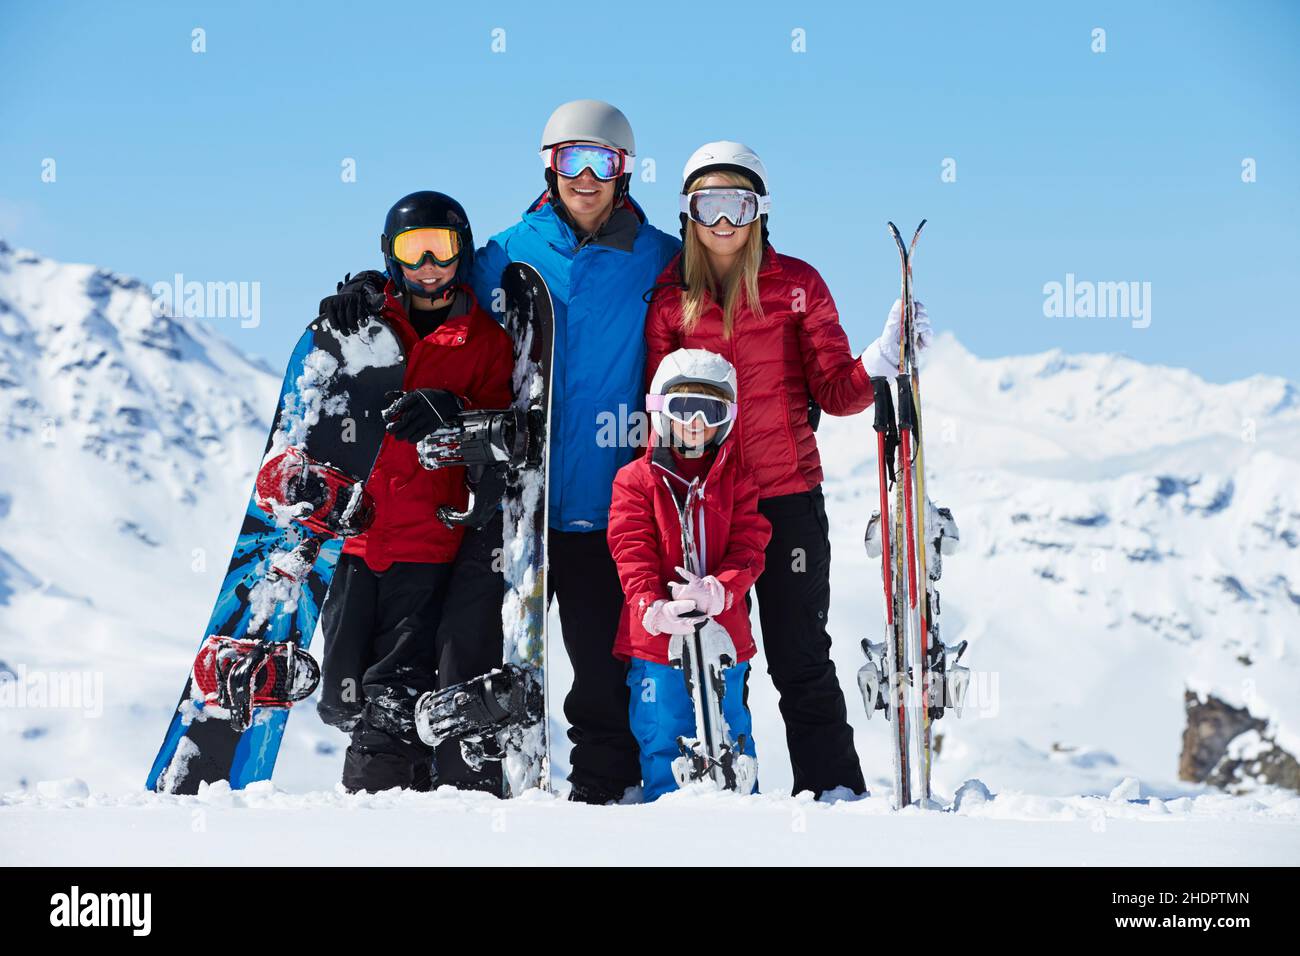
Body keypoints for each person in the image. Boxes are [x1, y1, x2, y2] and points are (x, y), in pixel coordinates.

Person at [644, 142, 933, 798]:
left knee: (800, 660)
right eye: (706, 205)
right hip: (703, 508)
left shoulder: (797, 286)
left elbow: (835, 390)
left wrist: (879, 362)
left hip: (785, 503)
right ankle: (720, 798)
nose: (723, 223)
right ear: (687, 214)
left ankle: (834, 795)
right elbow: (654, 411)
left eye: (736, 205)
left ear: (760, 211)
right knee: (714, 661)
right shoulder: (668, 303)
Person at [469, 100, 681, 803]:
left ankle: (604, 801)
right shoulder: (502, 254)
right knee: (492, 662)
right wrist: (376, 294)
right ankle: (480, 796)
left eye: (602, 163)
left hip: (607, 505)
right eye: (570, 160)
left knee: (601, 671)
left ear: (623, 173)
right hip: (516, 508)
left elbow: (718, 326)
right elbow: (437, 315)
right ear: (548, 167)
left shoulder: (658, 258)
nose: (585, 177)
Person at [316, 191, 513, 793]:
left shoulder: (483, 342)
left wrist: (454, 412)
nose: (429, 264)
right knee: (345, 695)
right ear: (390, 255)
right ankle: (411, 802)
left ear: (463, 254)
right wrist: (342, 316)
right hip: (355, 547)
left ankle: (379, 820)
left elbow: (503, 436)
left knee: (390, 700)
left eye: (443, 248)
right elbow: (323, 404)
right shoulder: (367, 325)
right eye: (412, 249)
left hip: (427, 547)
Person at [606, 348, 771, 801]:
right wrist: (651, 608)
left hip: (725, 638)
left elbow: (749, 546)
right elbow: (630, 550)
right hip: (657, 642)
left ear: (728, 418)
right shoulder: (636, 480)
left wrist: (722, 590)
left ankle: (744, 820)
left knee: (731, 730)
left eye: (710, 410)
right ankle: (668, 821)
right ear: (661, 412)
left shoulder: (738, 481)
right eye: (683, 409)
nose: (696, 422)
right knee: (664, 734)